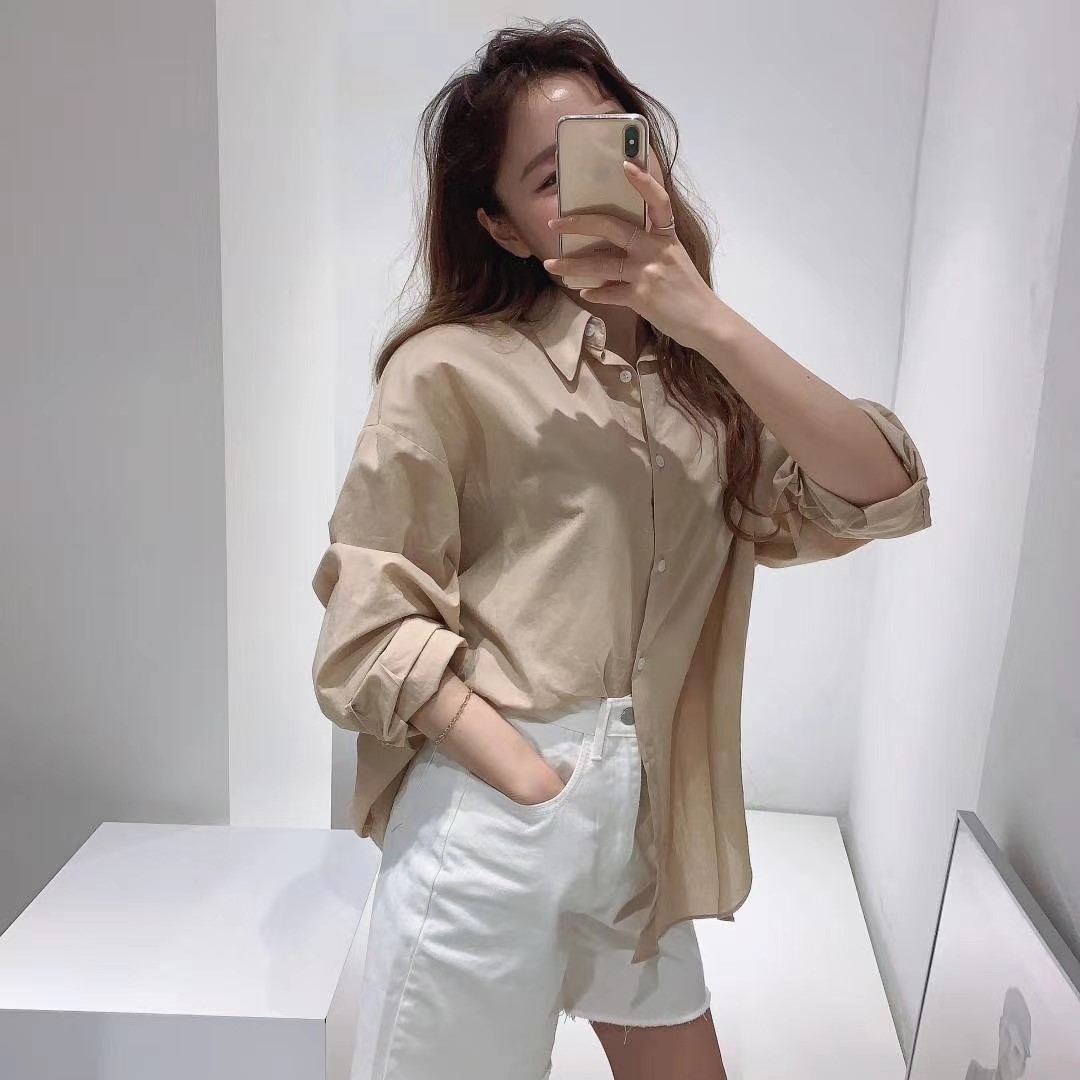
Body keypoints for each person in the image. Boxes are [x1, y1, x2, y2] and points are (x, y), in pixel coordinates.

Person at [310, 17, 933, 1080]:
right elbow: (365, 620)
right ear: (504, 228)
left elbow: (879, 488)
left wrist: (705, 318)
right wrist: (523, 772)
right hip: (493, 822)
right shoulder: (448, 370)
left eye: (618, 144)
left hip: (640, 836)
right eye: (550, 178)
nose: (599, 188)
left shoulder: (705, 400)